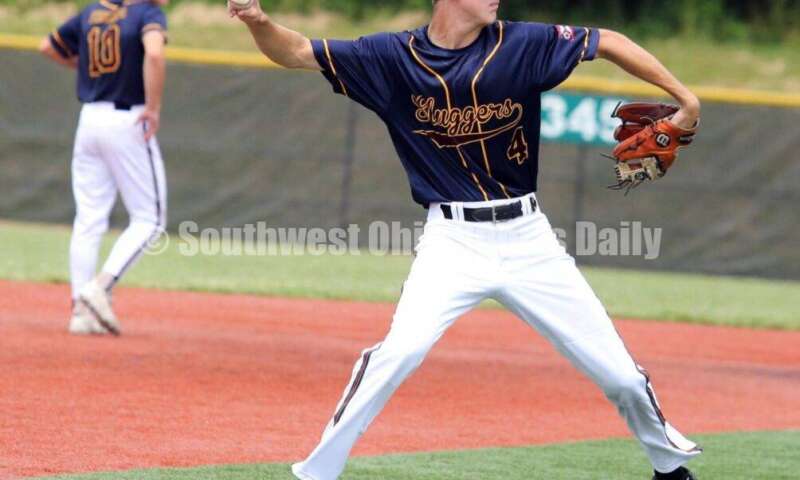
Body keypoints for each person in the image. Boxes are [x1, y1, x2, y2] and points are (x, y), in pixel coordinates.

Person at [231, 0, 702, 479]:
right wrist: (258, 20)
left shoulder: (523, 45)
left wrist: (686, 99)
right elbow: (294, 52)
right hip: (452, 241)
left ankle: (669, 469)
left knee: (620, 375)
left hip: (529, 238)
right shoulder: (392, 58)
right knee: (401, 352)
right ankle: (317, 472)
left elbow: (611, 42)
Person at [39, 0, 169, 336]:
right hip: (128, 118)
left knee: (88, 218)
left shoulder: (91, 12)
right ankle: (100, 286)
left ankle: (80, 313)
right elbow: (154, 54)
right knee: (150, 220)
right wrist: (153, 108)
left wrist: (84, 69)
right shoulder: (147, 12)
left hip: (90, 118)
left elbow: (48, 47)